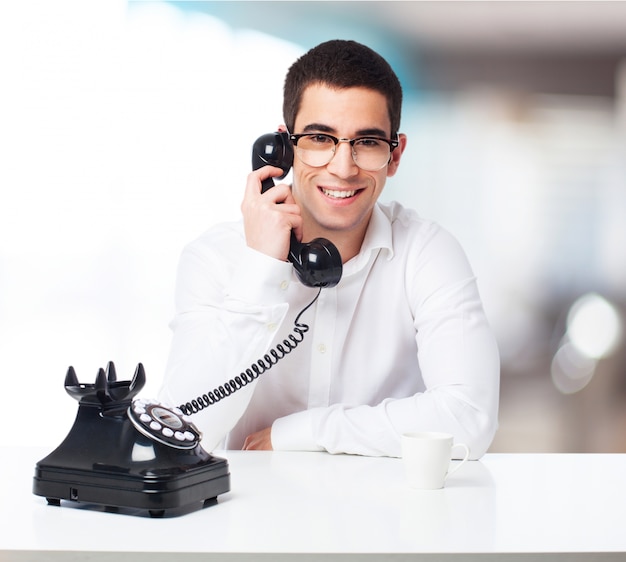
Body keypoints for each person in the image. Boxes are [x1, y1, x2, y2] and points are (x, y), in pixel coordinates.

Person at [159, 39, 500, 458]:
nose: (343, 168)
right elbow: (180, 424)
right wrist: (261, 267)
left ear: (395, 156)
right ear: (284, 148)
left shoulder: (428, 253)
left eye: (368, 142)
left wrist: (304, 434)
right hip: (248, 517)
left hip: (387, 517)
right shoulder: (214, 259)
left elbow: (470, 418)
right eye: (321, 138)